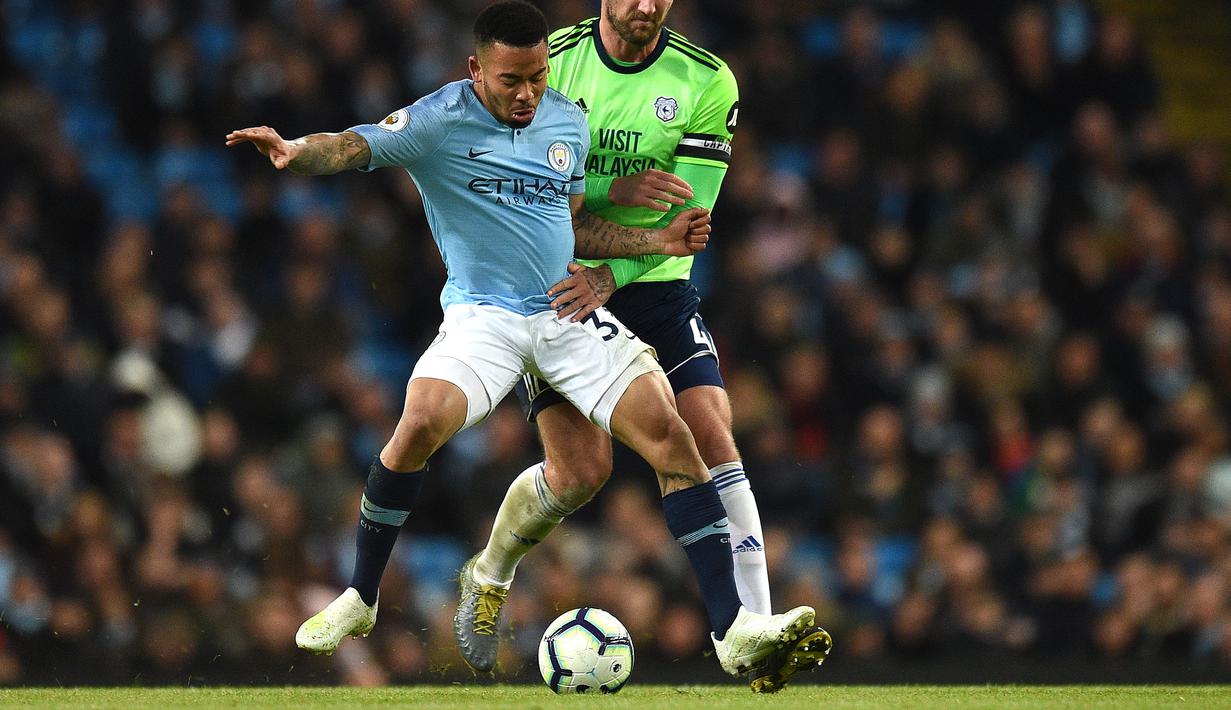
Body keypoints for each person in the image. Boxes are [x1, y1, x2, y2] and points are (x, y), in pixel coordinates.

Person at [224, 0, 816, 679]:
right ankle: (361, 595)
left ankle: (734, 630)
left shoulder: (565, 118)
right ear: (477, 69)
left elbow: (569, 229)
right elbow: (356, 143)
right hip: (484, 316)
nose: (529, 93)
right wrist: (297, 152)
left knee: (673, 433)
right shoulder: (439, 119)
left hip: (563, 308)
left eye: (537, 77)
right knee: (419, 423)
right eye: (512, 81)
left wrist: (653, 239)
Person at [454, 0, 831, 693]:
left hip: (652, 281)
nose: (645, 6)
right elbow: (511, 180)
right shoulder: (553, 60)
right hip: (555, 281)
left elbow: (689, 221)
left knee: (708, 425)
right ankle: (490, 570)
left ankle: (747, 629)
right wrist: (610, 189)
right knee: (578, 474)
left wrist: (614, 270)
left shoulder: (707, 81)